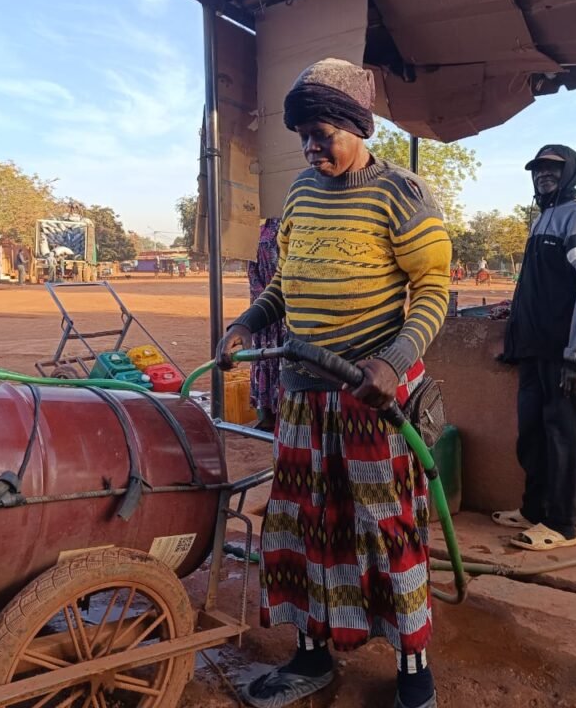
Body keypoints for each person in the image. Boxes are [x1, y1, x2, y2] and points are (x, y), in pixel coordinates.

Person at [216, 58, 451, 708]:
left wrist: (392, 362)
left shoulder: (401, 192)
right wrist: (247, 321)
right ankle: (311, 654)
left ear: (356, 126)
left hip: (371, 398)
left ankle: (415, 677)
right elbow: (287, 283)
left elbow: (434, 290)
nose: (311, 147)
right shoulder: (300, 193)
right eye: (303, 137)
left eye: (322, 133)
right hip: (304, 396)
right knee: (301, 524)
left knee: (385, 528)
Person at [495, 145, 576, 552]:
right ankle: (534, 509)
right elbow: (532, 290)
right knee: (533, 434)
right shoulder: (542, 218)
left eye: (553, 170)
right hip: (532, 351)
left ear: (570, 172)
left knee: (562, 437)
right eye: (539, 169)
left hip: (563, 355)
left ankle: (562, 523)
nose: (544, 175)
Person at [247, 218, 287, 431]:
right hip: (264, 311)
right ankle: (267, 414)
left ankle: (284, 413)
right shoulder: (257, 232)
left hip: (287, 309)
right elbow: (251, 269)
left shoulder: (293, 226)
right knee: (264, 359)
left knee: (283, 358)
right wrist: (263, 299)